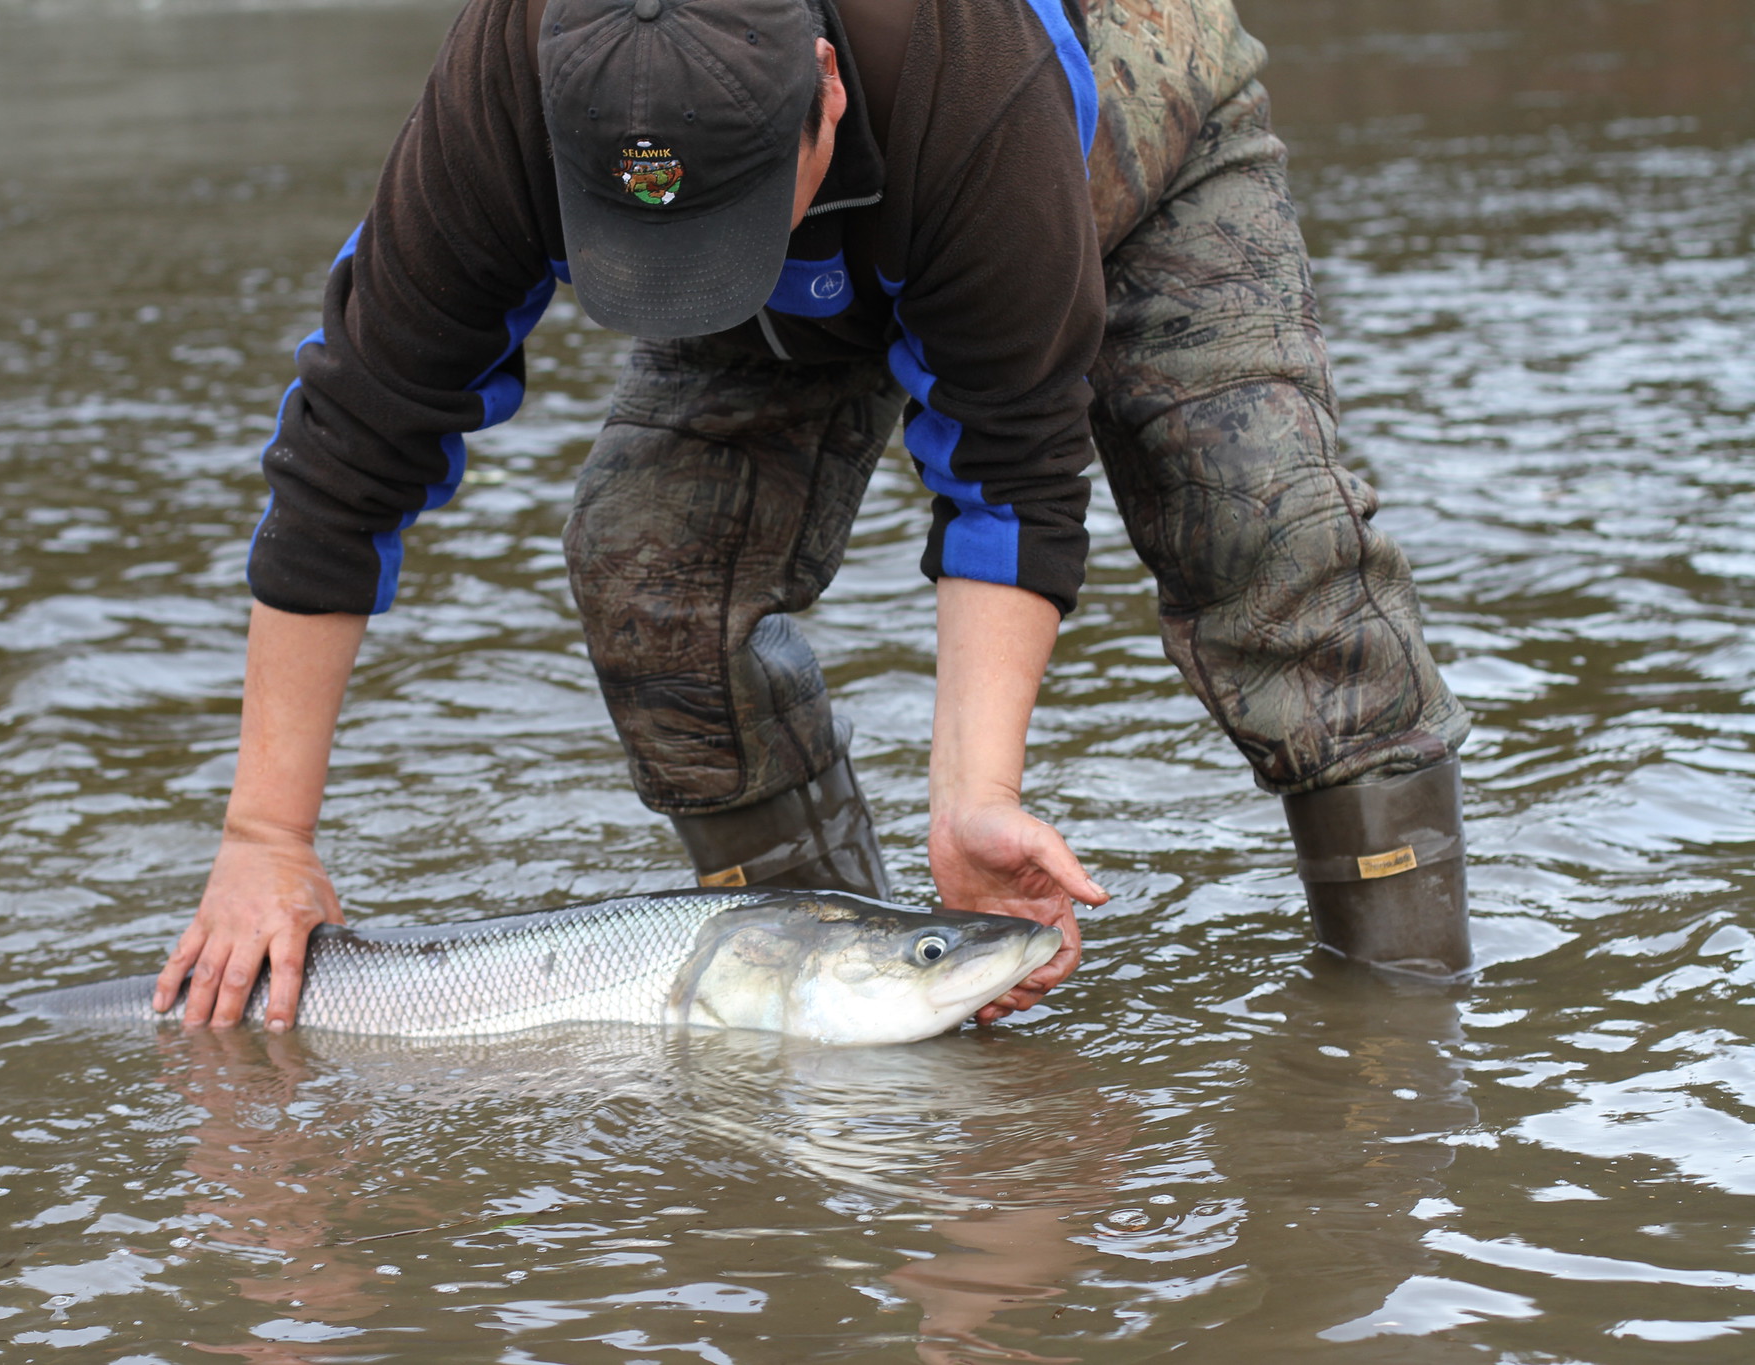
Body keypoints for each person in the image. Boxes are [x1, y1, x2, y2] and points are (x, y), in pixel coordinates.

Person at [154, 0, 1474, 1034]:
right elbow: (355, 436)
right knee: (647, 574)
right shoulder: (509, 86)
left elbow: (1011, 466)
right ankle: (829, 995)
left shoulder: (966, 80)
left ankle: (1407, 1026)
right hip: (802, 248)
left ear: (823, 104)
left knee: (1266, 540)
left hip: (1112, 136)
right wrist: (265, 839)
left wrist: (975, 799)